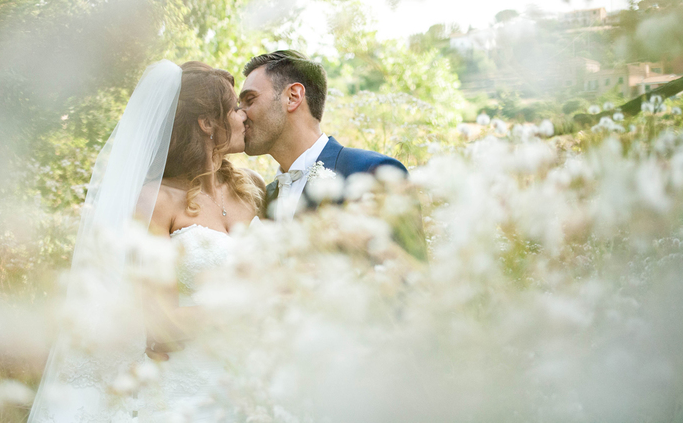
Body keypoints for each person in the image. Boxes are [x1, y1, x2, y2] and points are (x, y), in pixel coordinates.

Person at [28, 60, 263, 422]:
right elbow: (161, 324)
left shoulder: (250, 190)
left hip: (251, 381)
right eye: (234, 108)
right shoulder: (155, 201)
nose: (245, 115)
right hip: (184, 390)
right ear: (206, 123)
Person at [239, 50, 408, 221]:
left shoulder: (371, 173)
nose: (240, 115)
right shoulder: (264, 199)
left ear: (293, 97)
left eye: (250, 100)